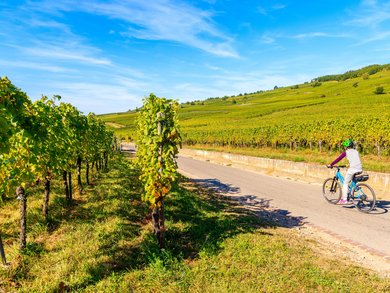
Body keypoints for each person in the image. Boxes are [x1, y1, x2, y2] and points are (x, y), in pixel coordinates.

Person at [328, 139, 362, 204]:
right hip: (360, 169)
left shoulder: (346, 152)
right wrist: (349, 164)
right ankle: (358, 193)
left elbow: (338, 159)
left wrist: (331, 164)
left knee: (345, 183)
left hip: (353, 169)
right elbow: (355, 160)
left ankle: (344, 199)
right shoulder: (356, 151)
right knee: (353, 183)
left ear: (347, 146)